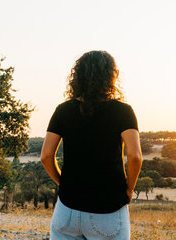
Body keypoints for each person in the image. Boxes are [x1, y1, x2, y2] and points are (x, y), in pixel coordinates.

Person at [41, 50, 142, 240]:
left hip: (66, 210)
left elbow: (46, 156)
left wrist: (63, 183)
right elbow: (135, 156)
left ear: (78, 76)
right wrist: (129, 189)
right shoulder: (123, 112)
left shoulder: (62, 111)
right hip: (108, 209)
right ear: (112, 76)